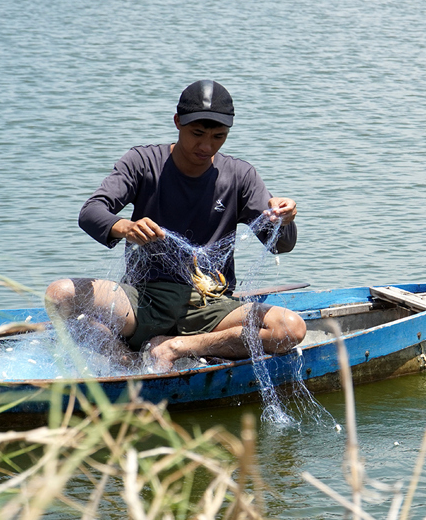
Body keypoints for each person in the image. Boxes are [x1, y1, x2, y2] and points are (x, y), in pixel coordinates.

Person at [44, 79, 306, 371]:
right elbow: (91, 212)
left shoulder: (239, 176)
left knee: (290, 328)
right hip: (141, 301)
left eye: (219, 136)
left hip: (212, 306)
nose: (206, 146)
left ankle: (175, 347)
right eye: (197, 134)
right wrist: (124, 227)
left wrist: (285, 220)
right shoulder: (142, 162)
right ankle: (124, 359)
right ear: (178, 121)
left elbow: (282, 244)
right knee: (60, 295)